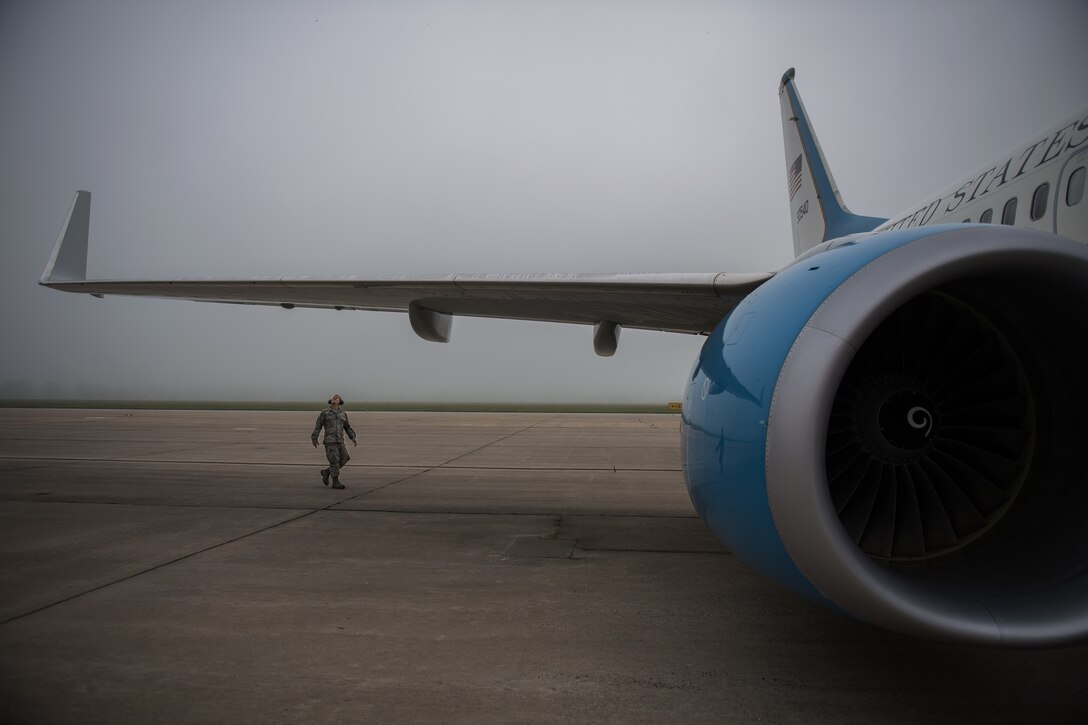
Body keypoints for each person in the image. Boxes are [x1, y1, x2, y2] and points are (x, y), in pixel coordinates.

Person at [311, 394, 357, 489]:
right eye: (333, 397)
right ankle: (335, 481)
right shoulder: (325, 413)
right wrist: (314, 437)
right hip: (330, 441)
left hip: (340, 440)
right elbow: (318, 425)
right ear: (330, 401)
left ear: (340, 401)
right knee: (334, 461)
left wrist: (353, 437)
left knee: (345, 458)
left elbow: (347, 427)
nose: (335, 397)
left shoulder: (343, 414)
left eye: (337, 397)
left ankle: (327, 472)